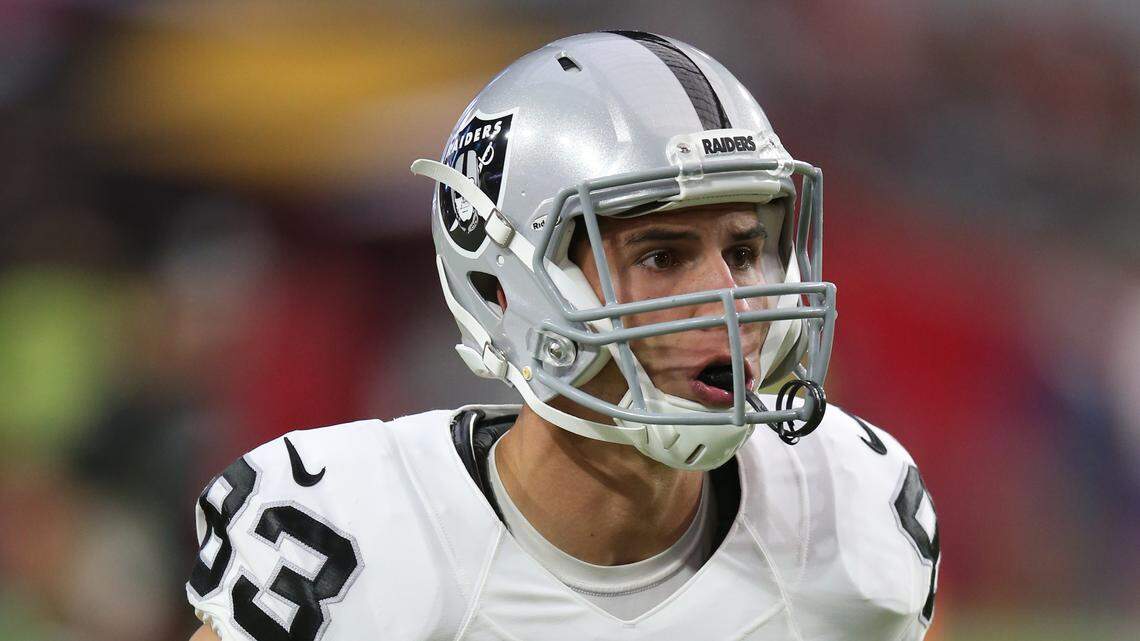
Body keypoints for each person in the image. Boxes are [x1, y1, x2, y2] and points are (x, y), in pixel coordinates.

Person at [186, 31, 939, 641]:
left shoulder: (849, 513)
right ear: (506, 284)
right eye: (663, 255)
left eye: (743, 251)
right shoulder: (353, 541)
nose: (729, 298)